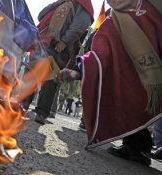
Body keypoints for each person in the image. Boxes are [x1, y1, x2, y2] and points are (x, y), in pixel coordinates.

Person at [55, 0, 162, 166]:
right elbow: (101, 53)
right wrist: (78, 71)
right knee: (125, 89)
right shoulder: (115, 20)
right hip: (139, 81)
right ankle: (137, 145)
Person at [32, 0, 94, 125]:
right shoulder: (62, 2)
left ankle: (42, 112)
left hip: (60, 47)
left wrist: (65, 41)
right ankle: (22, 102)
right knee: (33, 71)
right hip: (45, 43)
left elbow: (80, 25)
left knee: (52, 78)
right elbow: (41, 15)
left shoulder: (84, 5)